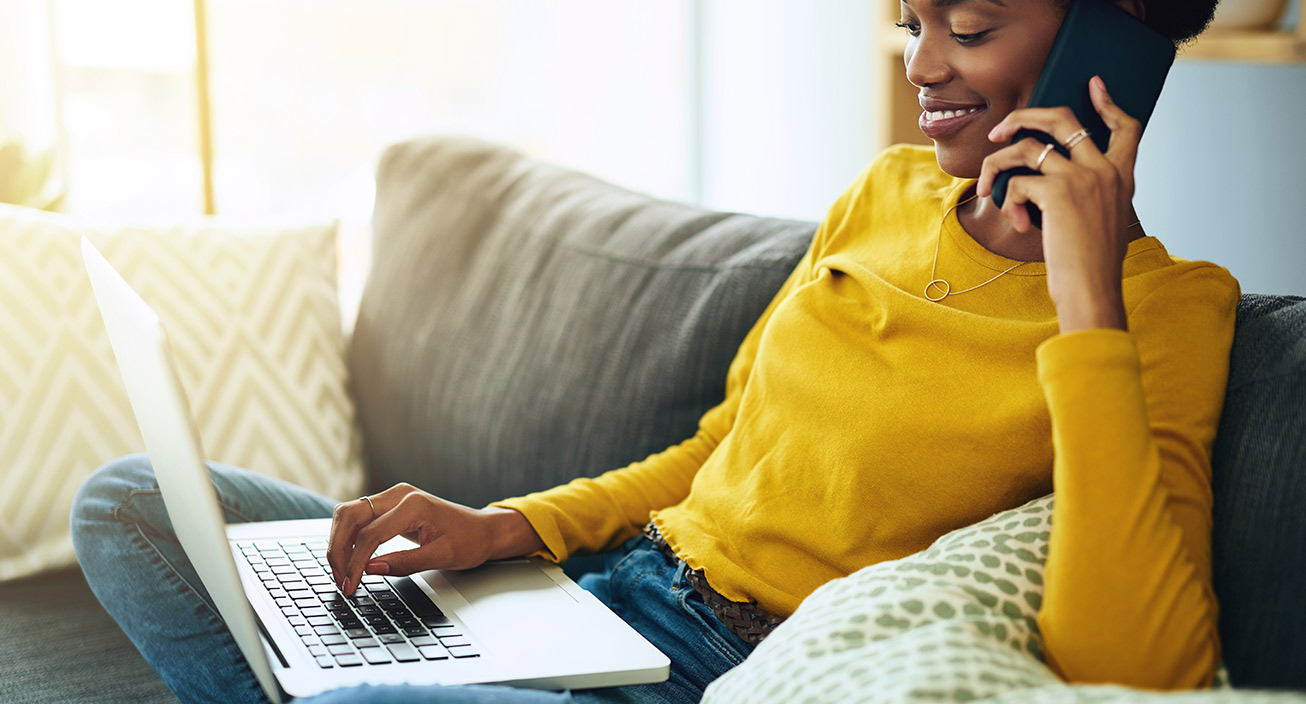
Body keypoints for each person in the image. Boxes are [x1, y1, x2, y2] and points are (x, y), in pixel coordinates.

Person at [71, 0, 1238, 702]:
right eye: (910, 24)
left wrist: (1086, 299)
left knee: (367, 687)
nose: (922, 67)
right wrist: (506, 527)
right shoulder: (883, 192)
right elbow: (715, 450)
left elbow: (1131, 663)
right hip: (593, 591)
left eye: (967, 28)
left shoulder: (1167, 310)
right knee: (129, 503)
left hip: (702, 668)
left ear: (1108, 44)